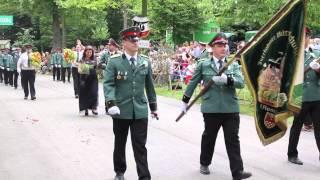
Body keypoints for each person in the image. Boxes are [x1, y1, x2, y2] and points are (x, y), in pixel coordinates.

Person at [181, 32, 252, 180]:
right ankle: (204, 163)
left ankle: (237, 172)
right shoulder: (203, 64)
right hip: (211, 108)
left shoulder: (232, 63)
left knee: (233, 139)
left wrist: (227, 80)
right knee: (209, 137)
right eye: (219, 45)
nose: (223, 48)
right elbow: (192, 83)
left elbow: (241, 83)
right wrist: (184, 102)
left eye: (225, 45)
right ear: (212, 48)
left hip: (230, 108)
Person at [104, 27, 158, 180]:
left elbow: (149, 86)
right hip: (120, 109)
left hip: (140, 110)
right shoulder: (114, 62)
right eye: (132, 40)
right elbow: (108, 84)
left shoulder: (145, 61)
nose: (136, 42)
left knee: (140, 146)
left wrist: (153, 108)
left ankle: (144, 176)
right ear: (124, 43)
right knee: (120, 144)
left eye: (137, 40)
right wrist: (111, 103)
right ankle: (119, 172)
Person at [287, 27, 320, 165]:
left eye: (305, 36)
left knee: (319, 127)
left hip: (316, 95)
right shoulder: (293, 56)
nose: (303, 39)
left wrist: (318, 70)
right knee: (297, 126)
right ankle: (292, 154)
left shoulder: (316, 53)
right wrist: (307, 69)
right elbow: (290, 77)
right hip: (300, 96)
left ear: (309, 37)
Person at [78, 46, 99, 116]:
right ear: (85, 52)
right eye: (88, 52)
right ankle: (85, 108)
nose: (89, 53)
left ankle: (94, 108)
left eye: (90, 52)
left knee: (94, 93)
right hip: (84, 78)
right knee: (84, 94)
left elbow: (96, 68)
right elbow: (80, 69)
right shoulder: (82, 59)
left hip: (93, 78)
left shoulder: (95, 59)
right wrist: (82, 67)